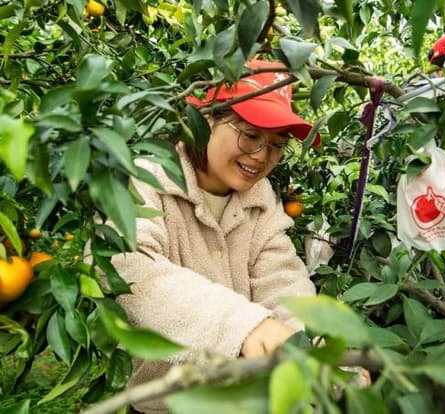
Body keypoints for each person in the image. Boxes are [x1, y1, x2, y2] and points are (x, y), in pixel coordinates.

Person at [111, 59, 319, 413]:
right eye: (250, 135)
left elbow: (282, 280)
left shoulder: (260, 199)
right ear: (205, 119)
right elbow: (129, 268)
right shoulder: (146, 178)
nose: (261, 156)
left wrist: (318, 347)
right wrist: (243, 328)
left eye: (275, 145)